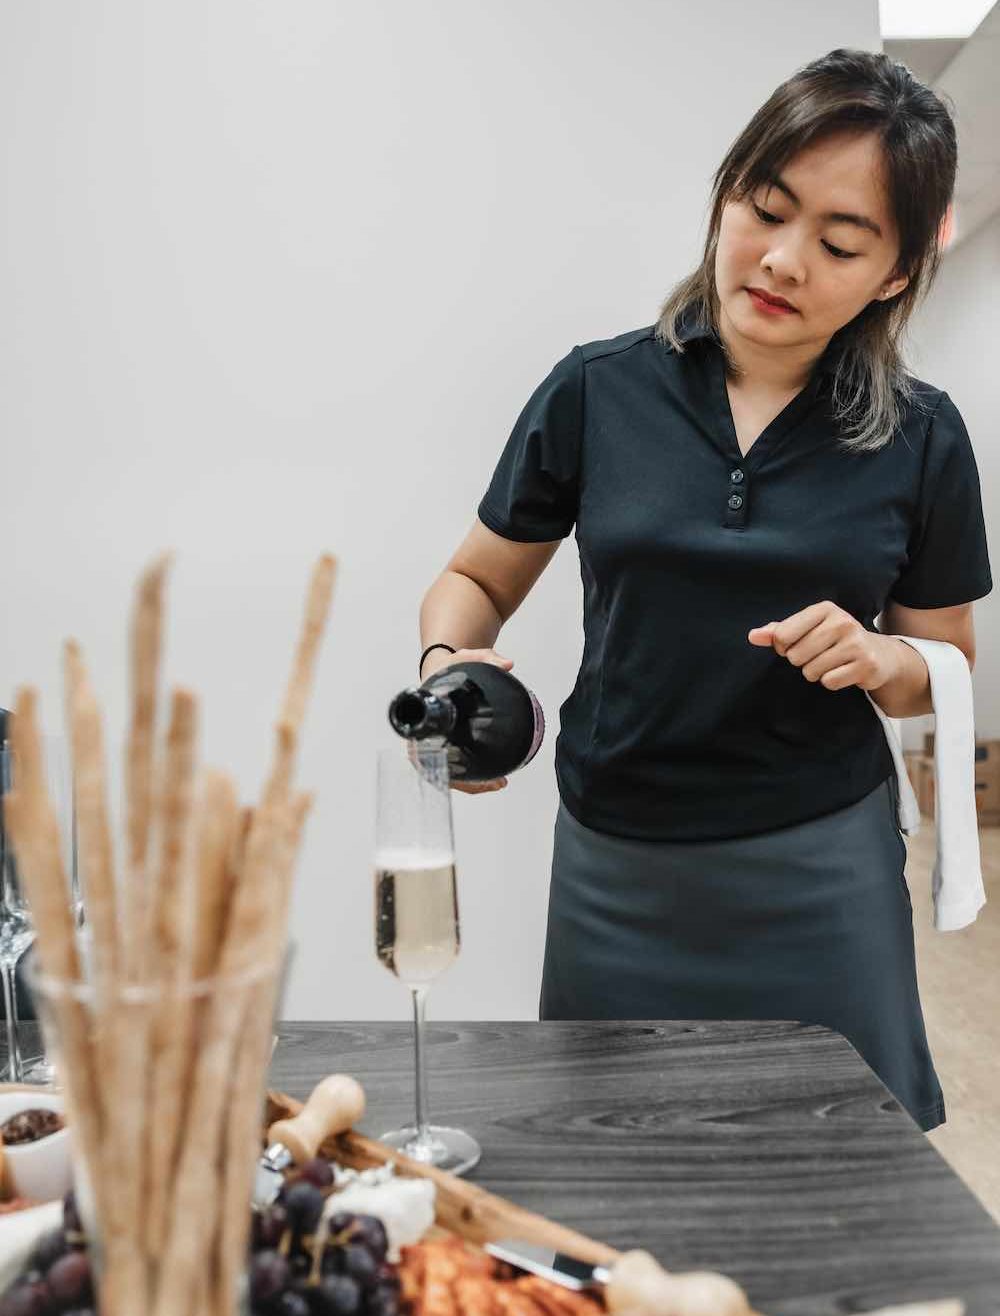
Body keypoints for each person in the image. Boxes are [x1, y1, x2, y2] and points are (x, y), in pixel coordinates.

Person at [416, 49, 992, 1133]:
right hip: (614, 859)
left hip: (818, 859)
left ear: (897, 272)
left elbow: (940, 661)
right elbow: (470, 579)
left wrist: (881, 658)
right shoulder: (596, 389)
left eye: (838, 242)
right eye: (762, 209)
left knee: (835, 1168)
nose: (780, 260)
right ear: (725, 194)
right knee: (614, 1169)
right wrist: (451, 667)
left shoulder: (923, 435)